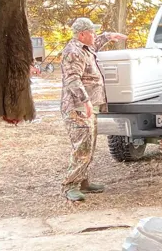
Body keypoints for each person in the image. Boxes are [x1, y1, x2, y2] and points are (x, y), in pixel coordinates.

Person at [60, 17, 127, 202]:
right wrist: (86, 101)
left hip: (88, 108)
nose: (95, 35)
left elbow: (96, 42)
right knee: (82, 149)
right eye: (92, 32)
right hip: (77, 108)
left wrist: (109, 36)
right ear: (82, 34)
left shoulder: (85, 47)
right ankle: (70, 186)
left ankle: (83, 182)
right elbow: (72, 79)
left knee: (89, 147)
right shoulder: (73, 52)